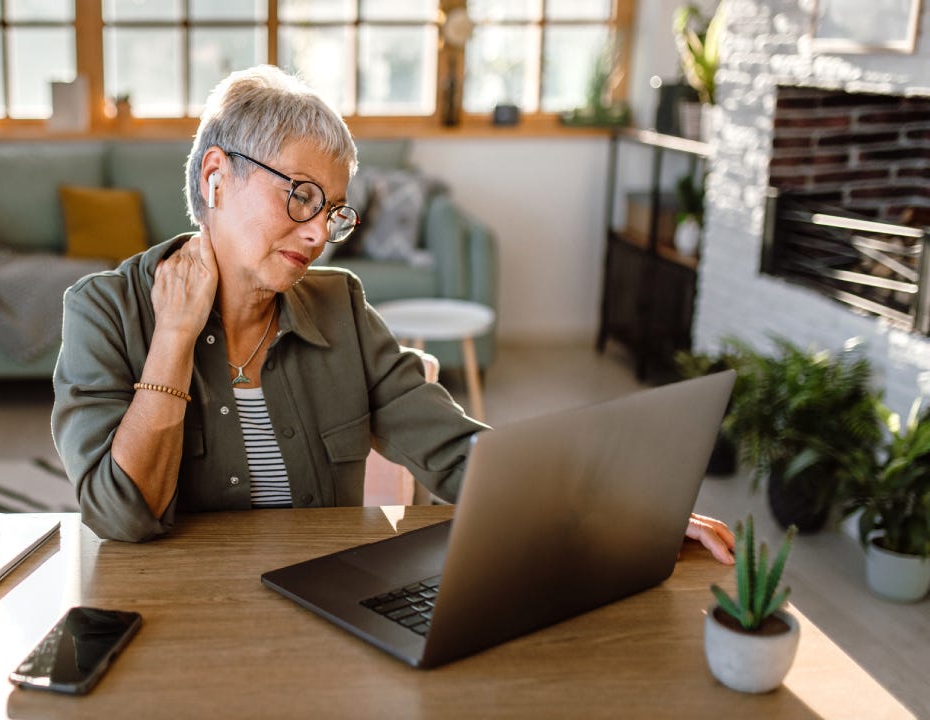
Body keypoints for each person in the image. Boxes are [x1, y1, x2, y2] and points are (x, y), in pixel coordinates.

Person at [51, 65, 736, 564]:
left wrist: (628, 512)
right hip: (173, 620)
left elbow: (460, 454)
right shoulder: (104, 313)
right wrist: (172, 339)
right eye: (300, 196)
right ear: (216, 179)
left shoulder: (341, 306)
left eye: (332, 210)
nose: (319, 233)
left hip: (318, 605)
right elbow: (120, 517)